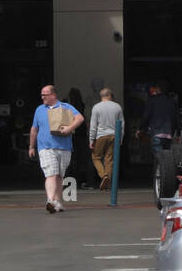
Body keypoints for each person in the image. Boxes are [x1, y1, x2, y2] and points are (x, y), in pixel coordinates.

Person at [28, 84, 83, 213]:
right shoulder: (40, 109)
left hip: (64, 147)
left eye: (45, 95)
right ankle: (50, 200)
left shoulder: (66, 107)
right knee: (51, 174)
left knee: (59, 176)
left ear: (53, 95)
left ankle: (57, 202)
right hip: (46, 147)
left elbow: (80, 118)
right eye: (41, 95)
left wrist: (70, 128)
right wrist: (31, 146)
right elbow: (34, 129)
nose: (42, 98)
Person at [89, 86, 124, 190]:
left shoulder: (96, 107)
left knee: (96, 157)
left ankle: (103, 175)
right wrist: (120, 138)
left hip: (101, 136)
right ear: (109, 95)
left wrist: (91, 140)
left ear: (101, 96)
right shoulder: (117, 107)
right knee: (109, 159)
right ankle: (108, 184)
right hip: (114, 136)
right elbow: (122, 124)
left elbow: (93, 125)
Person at [139, 81, 179, 159]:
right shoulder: (172, 101)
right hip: (169, 134)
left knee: (159, 159)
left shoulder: (152, 100)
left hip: (156, 132)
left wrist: (140, 128)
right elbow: (176, 117)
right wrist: (178, 133)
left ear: (157, 89)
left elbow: (146, 116)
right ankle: (165, 170)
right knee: (166, 159)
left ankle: (160, 171)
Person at [67, 87, 92, 190]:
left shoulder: (68, 106)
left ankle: (70, 179)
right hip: (81, 134)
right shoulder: (82, 105)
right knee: (82, 158)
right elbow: (85, 120)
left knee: (72, 158)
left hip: (71, 134)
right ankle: (83, 179)